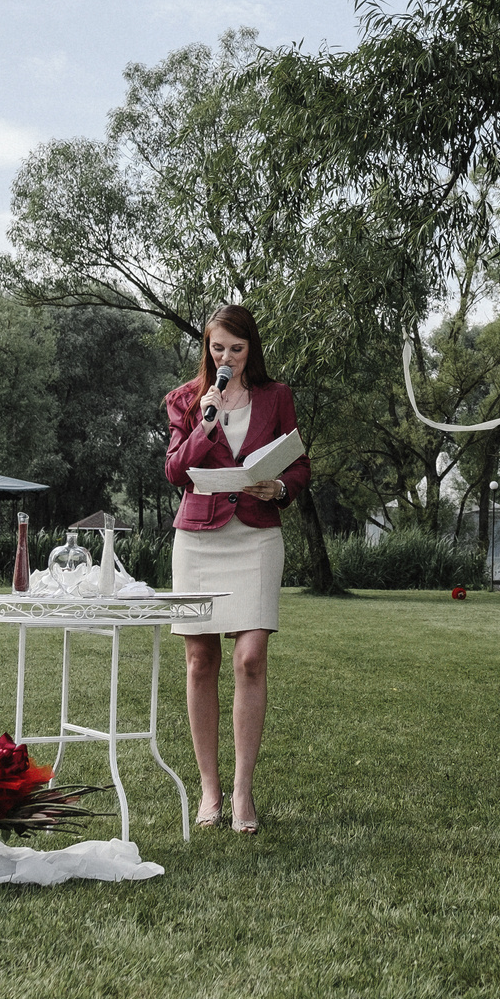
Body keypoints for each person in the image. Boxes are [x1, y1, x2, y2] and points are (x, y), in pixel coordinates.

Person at [164, 304, 310, 835]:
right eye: (217, 348)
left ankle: (244, 792)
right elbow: (176, 469)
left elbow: (298, 462)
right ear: (207, 348)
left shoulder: (277, 397)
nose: (225, 357)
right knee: (201, 660)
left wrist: (282, 486)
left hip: (256, 535)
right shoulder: (185, 400)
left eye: (236, 348)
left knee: (250, 658)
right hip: (198, 538)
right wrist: (207, 420)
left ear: (252, 350)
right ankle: (210, 790)